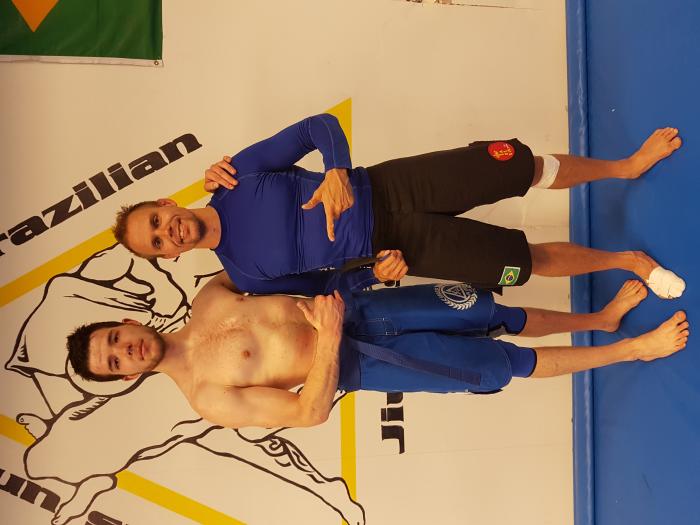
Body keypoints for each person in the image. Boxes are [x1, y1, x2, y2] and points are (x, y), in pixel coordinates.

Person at [112, 114, 684, 299]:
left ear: (166, 202)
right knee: (523, 262)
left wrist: (336, 171)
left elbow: (318, 126)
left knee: (518, 167)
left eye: (157, 221)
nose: (169, 232)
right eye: (158, 243)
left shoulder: (236, 177)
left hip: (392, 186)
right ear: (169, 258)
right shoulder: (244, 276)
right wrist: (376, 276)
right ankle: (628, 262)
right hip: (398, 248)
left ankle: (625, 167)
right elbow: (328, 288)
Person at [67, 275, 689, 429]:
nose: (126, 350)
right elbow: (308, 412)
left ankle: (600, 319)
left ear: (125, 321)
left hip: (366, 308)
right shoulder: (207, 398)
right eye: (115, 362)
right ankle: (631, 350)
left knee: (493, 311)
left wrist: (351, 280)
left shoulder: (210, 293)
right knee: (504, 364)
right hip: (362, 360)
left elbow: (288, 261)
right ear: (125, 378)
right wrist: (329, 337)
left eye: (114, 339)